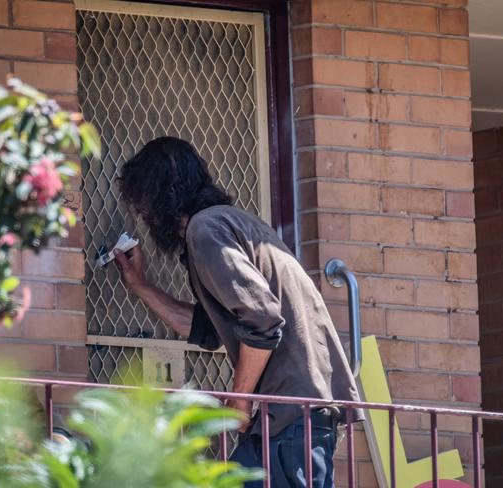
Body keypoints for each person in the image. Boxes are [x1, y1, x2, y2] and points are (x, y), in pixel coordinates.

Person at [114, 137, 361, 488]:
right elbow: (210, 330)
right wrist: (141, 286)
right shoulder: (228, 224)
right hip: (290, 414)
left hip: (292, 413)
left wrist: (239, 402)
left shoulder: (206, 229)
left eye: (143, 207)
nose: (144, 218)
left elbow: (262, 320)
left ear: (160, 194)